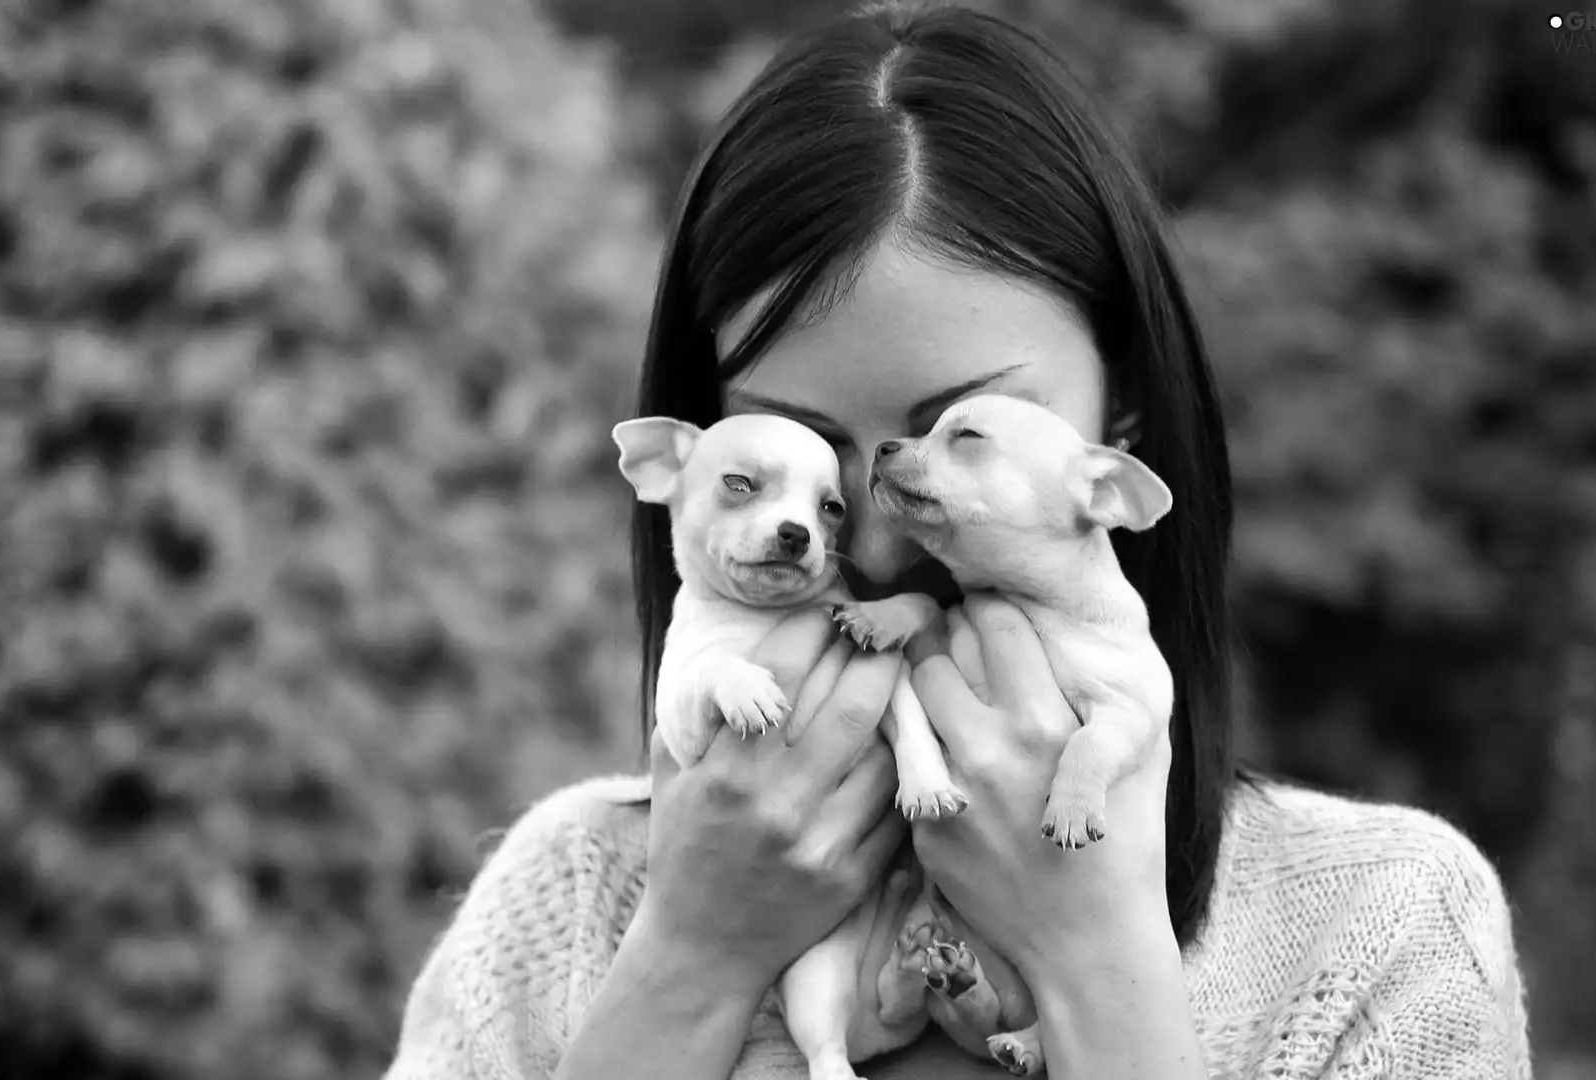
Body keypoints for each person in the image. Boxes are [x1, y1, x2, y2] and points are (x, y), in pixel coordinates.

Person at [382, 3, 1533, 1078]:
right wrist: (685, 965)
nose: (866, 535)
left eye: (957, 432)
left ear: (1117, 424)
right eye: (793, 444)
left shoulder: (1380, 929)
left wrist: (1098, 963)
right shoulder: (570, 898)